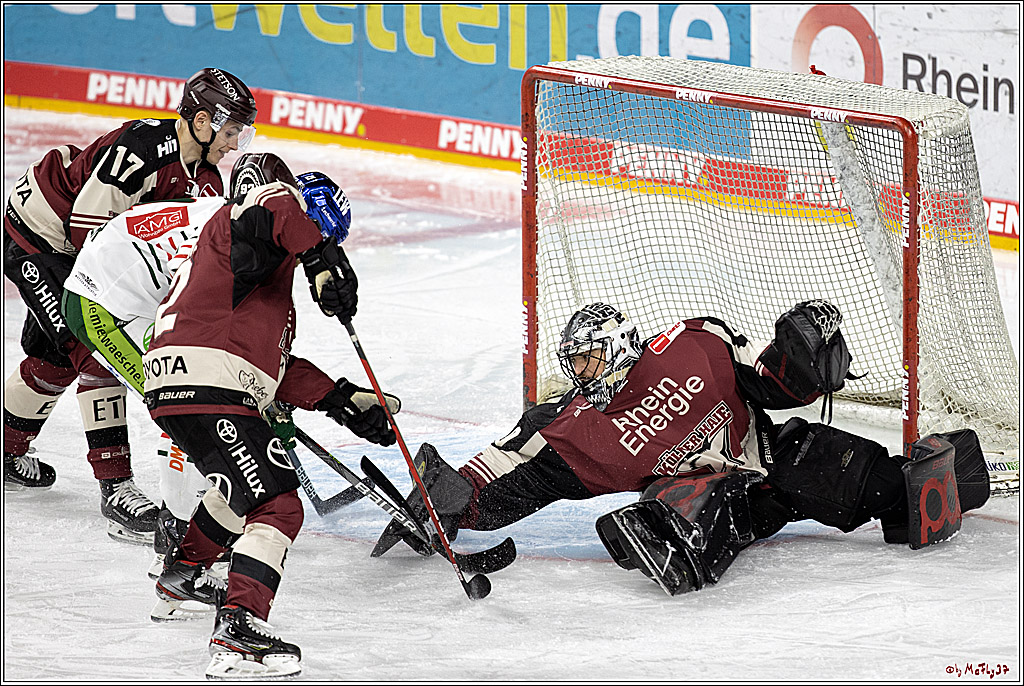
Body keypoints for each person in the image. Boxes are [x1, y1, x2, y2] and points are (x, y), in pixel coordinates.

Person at [374, 301, 991, 595]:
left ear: (618, 346)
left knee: (881, 487)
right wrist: (449, 505)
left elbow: (760, 377)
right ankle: (667, 534)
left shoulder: (691, 345)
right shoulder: (571, 426)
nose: (582, 370)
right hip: (724, 492)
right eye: (575, 360)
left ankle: (942, 478)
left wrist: (804, 354)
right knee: (694, 497)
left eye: (590, 356)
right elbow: (516, 474)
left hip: (768, 454)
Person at [142, 169, 399, 679]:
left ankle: (184, 576)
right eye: (322, 232)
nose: (321, 242)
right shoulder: (267, 204)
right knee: (278, 504)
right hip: (208, 382)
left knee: (238, 489)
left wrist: (341, 400)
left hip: (188, 382)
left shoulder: (251, 276)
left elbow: (273, 365)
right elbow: (277, 209)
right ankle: (239, 628)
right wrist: (323, 261)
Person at [3, 67, 257, 545]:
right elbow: (86, 235)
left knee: (53, 362)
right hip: (38, 238)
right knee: (95, 347)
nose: (234, 145)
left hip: (78, 252)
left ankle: (5, 450)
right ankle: (115, 487)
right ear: (201, 124)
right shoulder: (141, 150)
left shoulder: (203, 177)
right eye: (230, 132)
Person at [61, 152, 294, 581]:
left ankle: (195, 509)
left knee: (195, 399)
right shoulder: (225, 242)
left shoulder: (227, 224)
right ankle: (174, 533)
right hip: (101, 306)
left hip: (135, 301)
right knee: (184, 401)